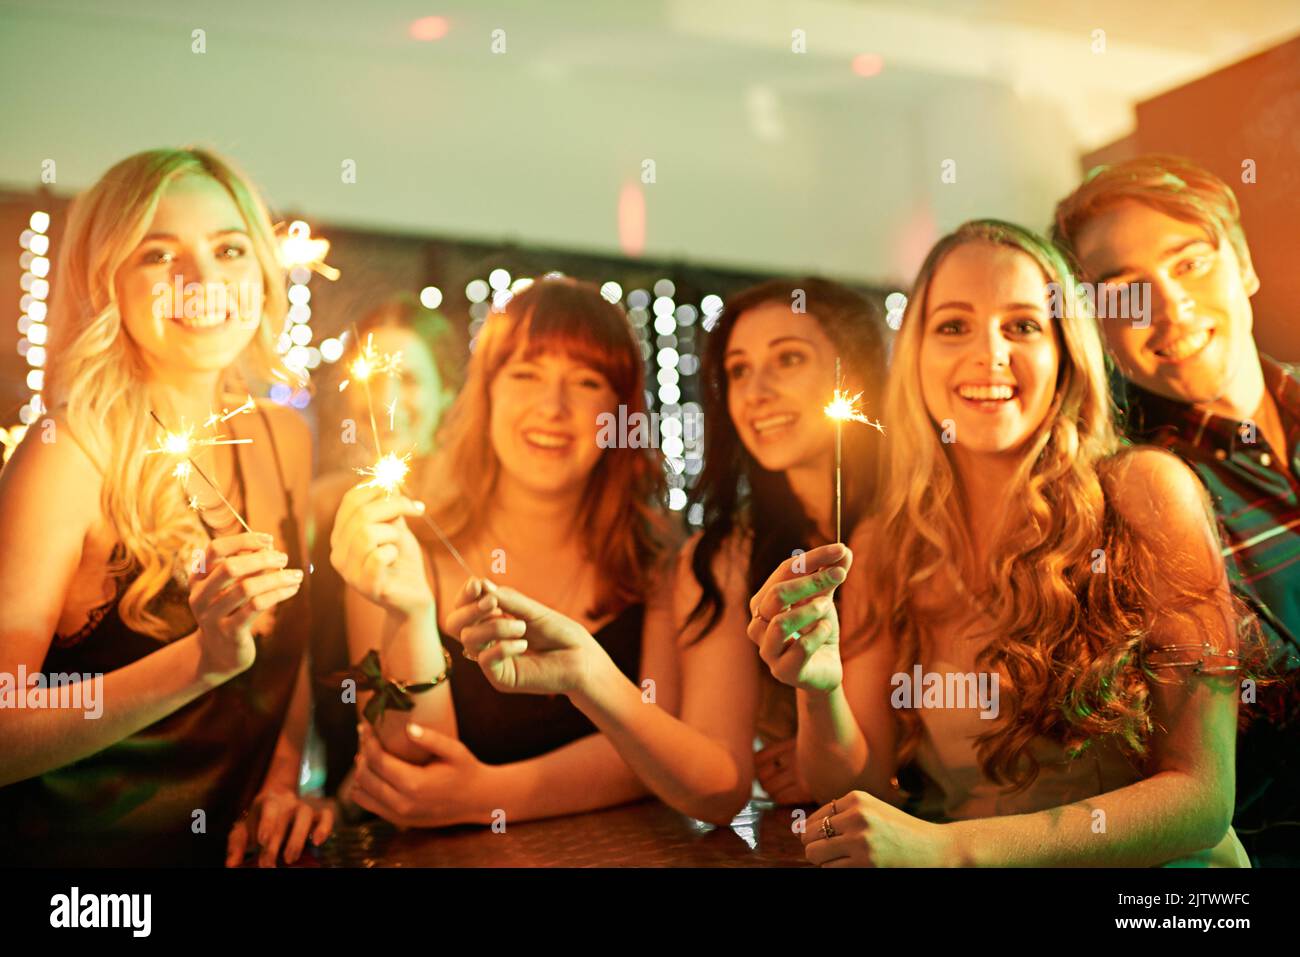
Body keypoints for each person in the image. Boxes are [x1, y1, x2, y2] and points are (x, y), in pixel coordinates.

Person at [748, 220, 1254, 866]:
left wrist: (950, 848)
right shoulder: (887, 539)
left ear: (1066, 352)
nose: (989, 354)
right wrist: (819, 689)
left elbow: (1202, 800)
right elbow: (852, 791)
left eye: (1022, 325)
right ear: (917, 357)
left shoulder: (1147, 492)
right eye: (954, 325)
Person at [441, 278, 886, 823]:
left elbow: (734, 781)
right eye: (739, 369)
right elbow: (744, 779)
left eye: (788, 358)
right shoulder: (721, 556)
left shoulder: (910, 530)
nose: (757, 391)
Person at [0, 148, 332, 866]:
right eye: (158, 254)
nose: (203, 280)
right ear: (105, 282)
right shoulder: (67, 452)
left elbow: (289, 653)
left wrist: (280, 785)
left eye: (229, 248)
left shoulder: (283, 437)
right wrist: (201, 662)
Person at [329, 276, 681, 826]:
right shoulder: (399, 546)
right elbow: (409, 768)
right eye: (525, 374)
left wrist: (491, 794)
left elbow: (668, 748)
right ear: (484, 392)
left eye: (586, 382)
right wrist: (412, 616)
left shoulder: (657, 561)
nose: (553, 406)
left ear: (622, 411)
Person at [1052, 155, 1300, 865]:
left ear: (1244, 263)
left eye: (1189, 263)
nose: (1169, 306)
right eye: (1125, 291)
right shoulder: (1120, 500)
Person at [308, 295, 464, 797]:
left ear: (447, 394)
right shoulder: (320, 510)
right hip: (344, 798)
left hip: (446, 789)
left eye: (410, 379)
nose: (387, 399)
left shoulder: (474, 517)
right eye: (375, 378)